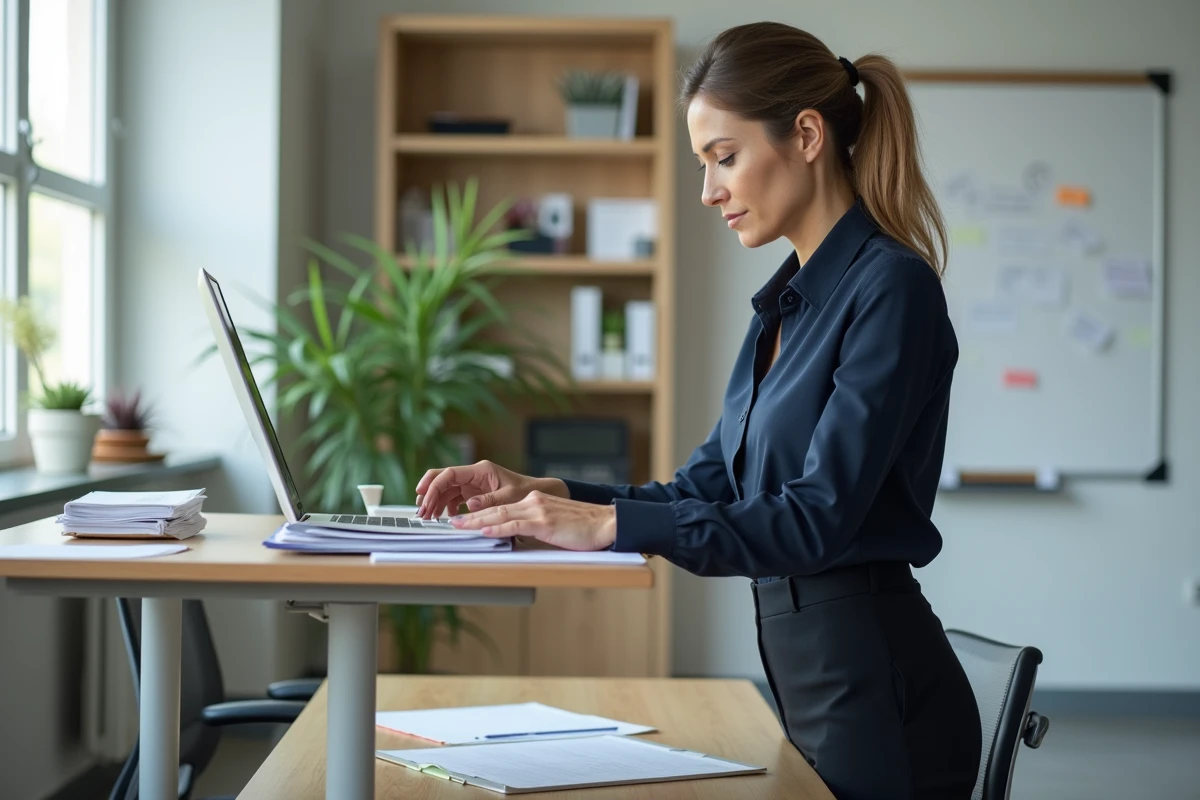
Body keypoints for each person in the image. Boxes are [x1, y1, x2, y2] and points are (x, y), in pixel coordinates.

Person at [415, 20, 981, 800]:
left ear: (808, 134)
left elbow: (818, 519)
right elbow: (702, 490)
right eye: (703, 164)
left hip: (877, 686)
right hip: (808, 674)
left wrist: (611, 527)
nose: (709, 191)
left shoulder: (891, 288)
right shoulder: (781, 308)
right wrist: (543, 495)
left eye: (725, 158)